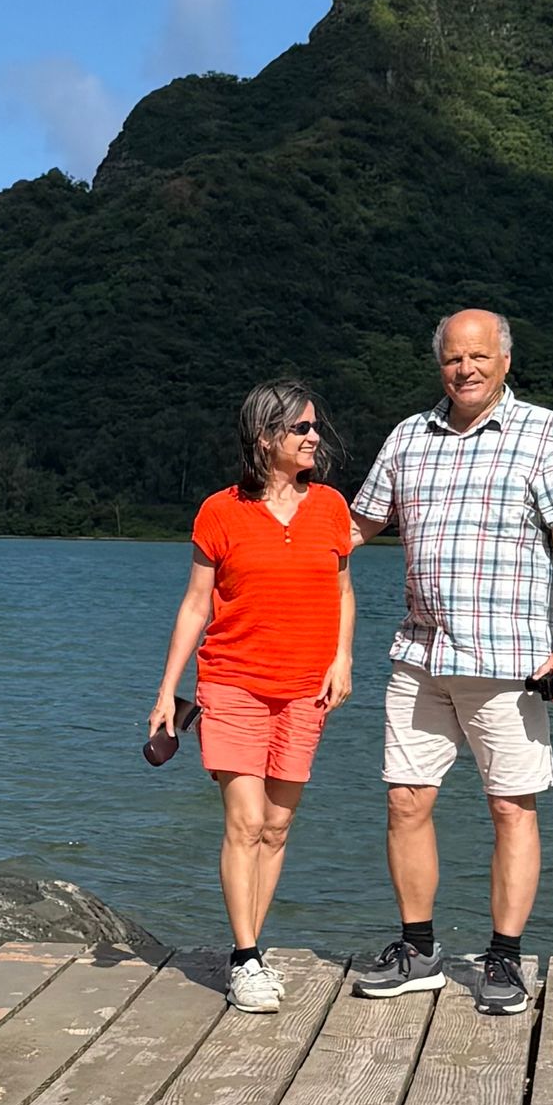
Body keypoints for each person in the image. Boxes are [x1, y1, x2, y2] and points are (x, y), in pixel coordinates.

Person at [349, 307, 553, 1015]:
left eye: (479, 356)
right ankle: (419, 948)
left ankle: (505, 959)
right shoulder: (407, 437)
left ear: (505, 360)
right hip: (421, 652)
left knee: (510, 808)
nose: (466, 369)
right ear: (440, 364)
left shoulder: (545, 432)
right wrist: (267, 518)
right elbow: (355, 526)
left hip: (510, 658)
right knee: (405, 799)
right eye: (454, 358)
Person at [148, 379, 355, 1013]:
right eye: (301, 428)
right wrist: (167, 692)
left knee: (277, 825)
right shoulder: (220, 510)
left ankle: (254, 948)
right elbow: (195, 603)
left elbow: (343, 590)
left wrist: (343, 659)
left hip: (305, 688)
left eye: (315, 426)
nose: (314, 437)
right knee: (244, 822)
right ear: (266, 437)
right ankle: (244, 959)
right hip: (232, 680)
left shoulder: (330, 508)